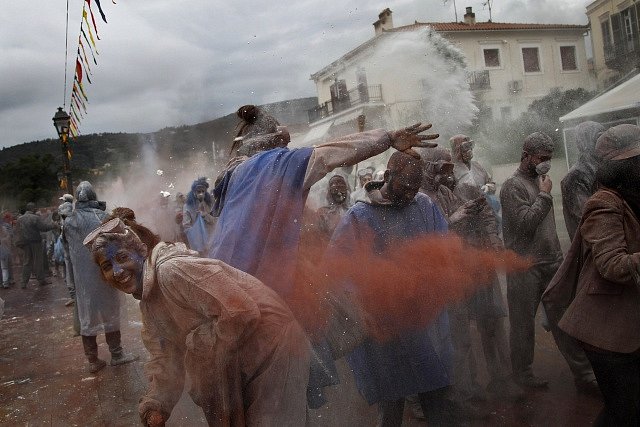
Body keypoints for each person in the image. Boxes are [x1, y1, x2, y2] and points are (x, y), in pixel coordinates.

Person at [83, 212, 311, 427]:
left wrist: (196, 342)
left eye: (122, 257)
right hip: (246, 358)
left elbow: (241, 312)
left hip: (275, 347)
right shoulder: (149, 304)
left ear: (141, 251)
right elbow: (166, 356)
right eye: (107, 266)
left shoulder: (171, 270)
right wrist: (156, 405)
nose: (118, 271)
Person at [211, 104, 438, 300]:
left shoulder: (234, 173)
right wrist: (387, 138)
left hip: (223, 278)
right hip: (257, 284)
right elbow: (327, 155)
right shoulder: (274, 163)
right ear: (278, 139)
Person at [329, 151, 455, 426]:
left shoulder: (424, 206)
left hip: (421, 319)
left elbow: (444, 245)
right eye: (405, 186)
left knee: (435, 387)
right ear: (388, 176)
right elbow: (338, 267)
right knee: (391, 397)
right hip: (383, 324)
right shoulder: (360, 215)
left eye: (415, 187)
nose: (411, 194)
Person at [546, 124, 640, 426]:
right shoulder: (603, 202)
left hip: (628, 323)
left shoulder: (632, 194)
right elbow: (612, 264)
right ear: (624, 165)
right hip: (606, 331)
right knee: (623, 410)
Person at [421, 148, 524, 407]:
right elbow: (424, 240)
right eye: (440, 169)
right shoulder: (422, 199)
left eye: (449, 169)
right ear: (427, 168)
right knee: (458, 336)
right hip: (450, 275)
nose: (446, 175)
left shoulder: (461, 190)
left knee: (491, 323)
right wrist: (451, 221)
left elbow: (486, 217)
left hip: (477, 268)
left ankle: (501, 379)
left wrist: (492, 243)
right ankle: (465, 391)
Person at [500, 132, 597, 393]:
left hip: (552, 262)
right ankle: (522, 373)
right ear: (526, 155)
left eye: (549, 159)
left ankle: (584, 374)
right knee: (522, 325)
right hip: (525, 266)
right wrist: (544, 196)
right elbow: (524, 227)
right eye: (541, 158)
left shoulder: (542, 180)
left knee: (564, 320)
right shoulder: (513, 186)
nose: (546, 163)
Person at [64, 181, 137, 373]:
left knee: (87, 317)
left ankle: (93, 360)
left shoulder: (68, 221)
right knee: (111, 312)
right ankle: (117, 354)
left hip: (83, 282)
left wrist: (71, 285)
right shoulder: (102, 217)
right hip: (104, 275)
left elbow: (67, 254)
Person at [561, 121, 605, 241]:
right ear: (585, 143)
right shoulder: (576, 177)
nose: (603, 142)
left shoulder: (603, 168)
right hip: (591, 250)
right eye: (598, 138)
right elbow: (588, 219)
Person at [16, 202, 57, 288]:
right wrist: (53, 225)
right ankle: (41, 280)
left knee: (27, 262)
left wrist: (19, 243)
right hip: (35, 242)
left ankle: (23, 283)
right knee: (38, 260)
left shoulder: (20, 219)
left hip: (25, 243)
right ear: (33, 209)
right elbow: (44, 228)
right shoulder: (35, 218)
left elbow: (17, 232)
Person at [182, 178, 215, 255]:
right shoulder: (187, 206)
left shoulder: (210, 204)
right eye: (198, 191)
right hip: (196, 243)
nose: (201, 194)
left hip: (211, 240)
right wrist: (196, 237)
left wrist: (205, 215)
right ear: (194, 192)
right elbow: (186, 226)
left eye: (203, 191)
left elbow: (215, 221)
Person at [0, 212, 15, 289]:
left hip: (5, 249)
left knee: (4, 266)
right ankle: (6, 281)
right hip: (4, 249)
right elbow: (10, 235)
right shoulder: (6, 227)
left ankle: (4, 281)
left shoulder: (4, 226)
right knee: (6, 266)